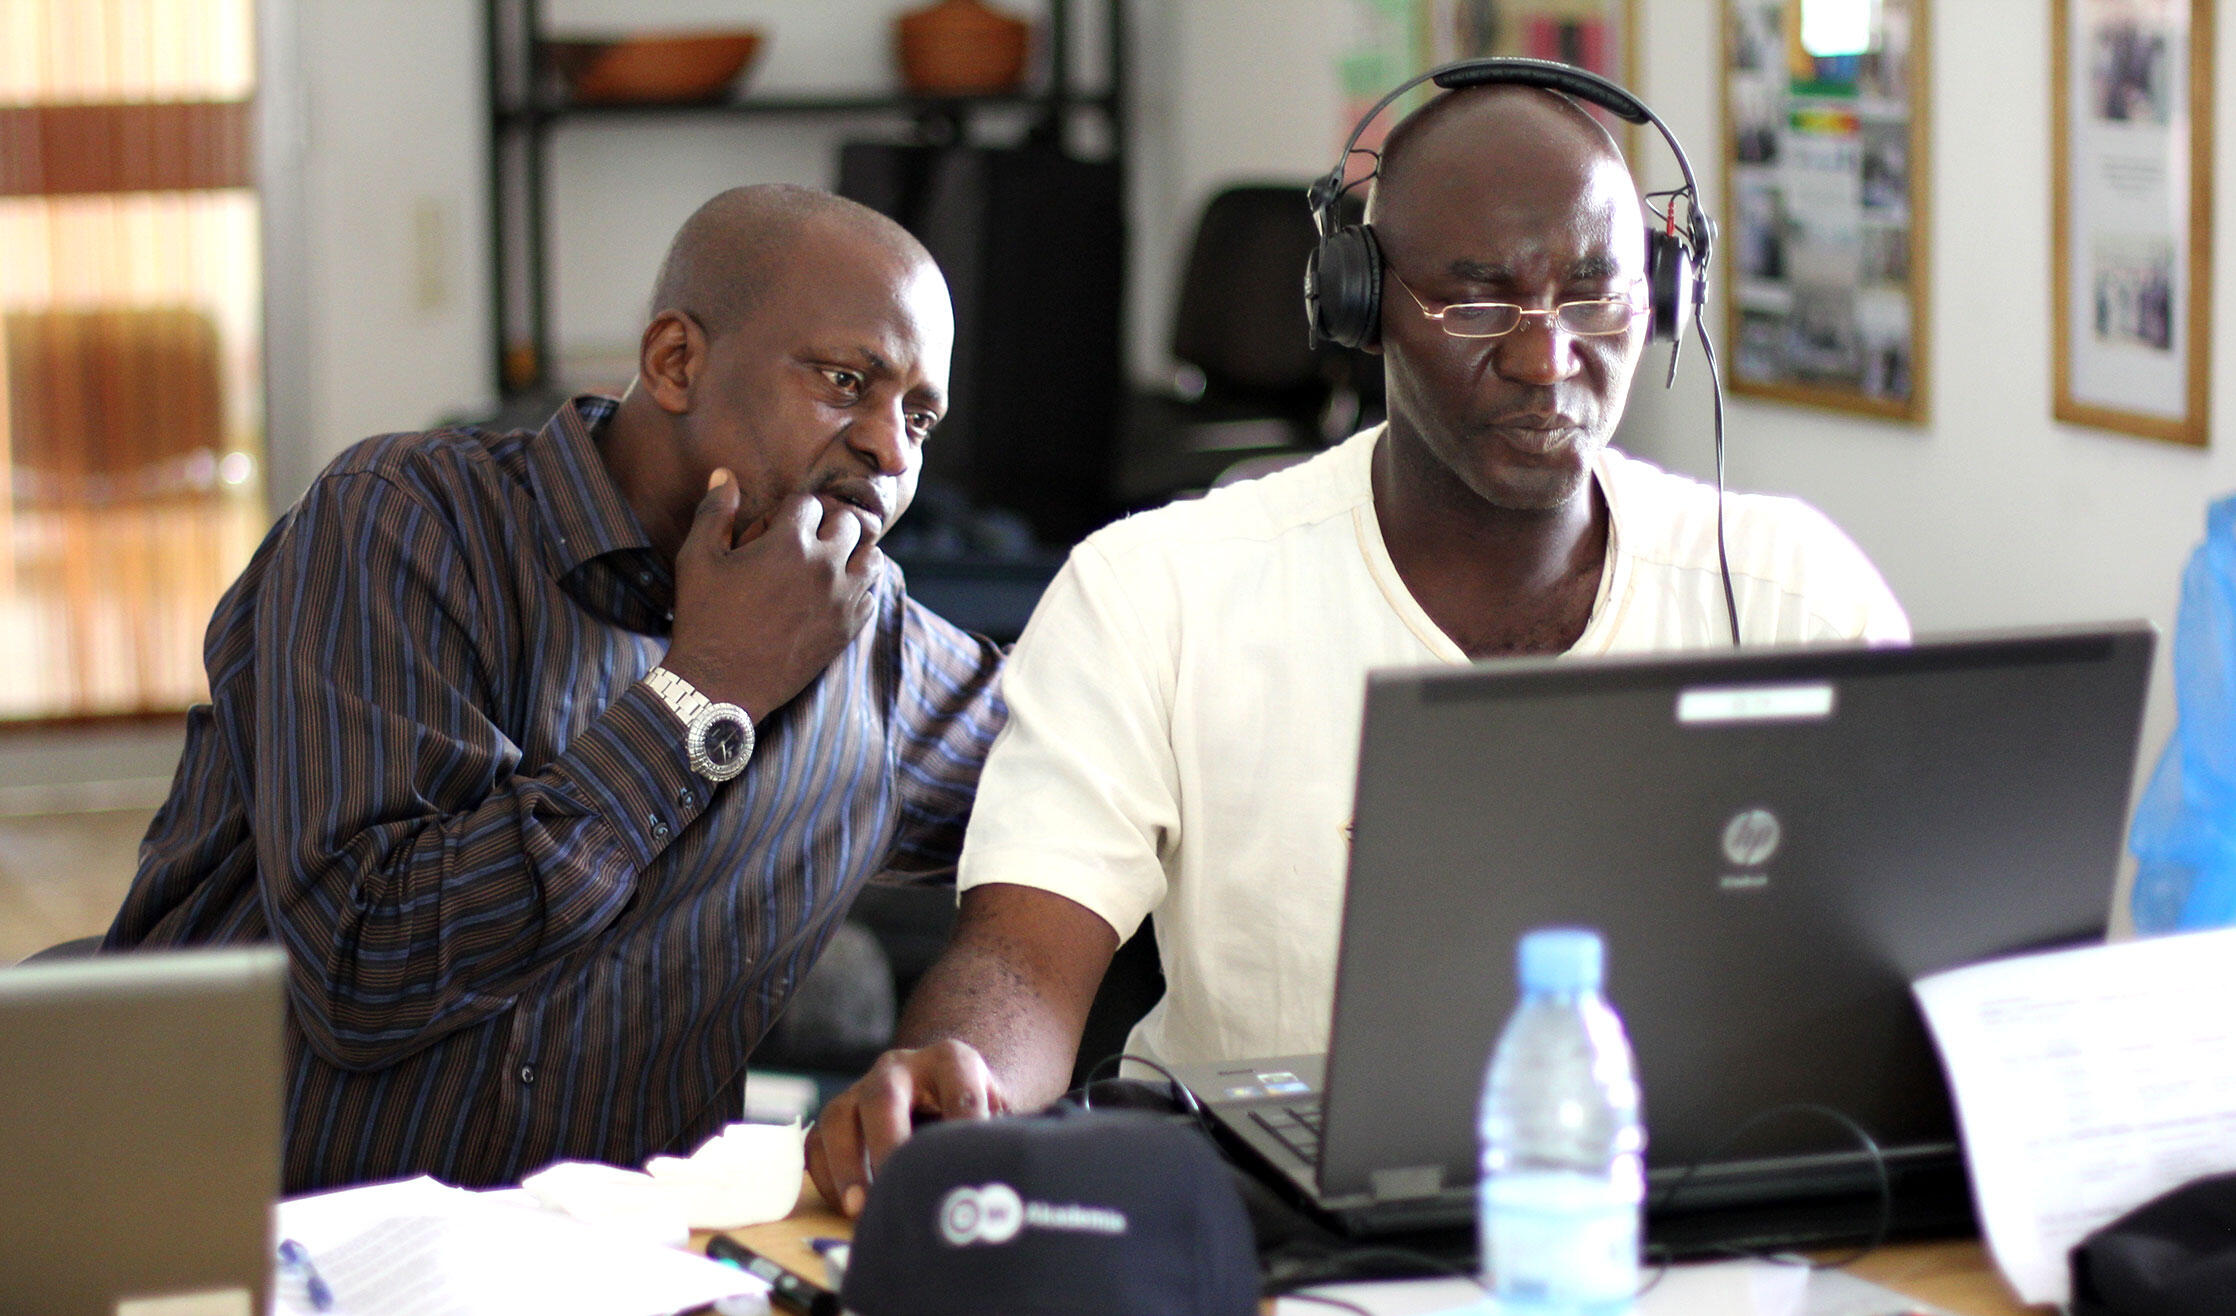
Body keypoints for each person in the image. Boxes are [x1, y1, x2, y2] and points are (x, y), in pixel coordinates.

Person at [806, 84, 1909, 1214]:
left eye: (1594, 294)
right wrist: (956, 1085)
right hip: (1256, 1226)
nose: (1546, 358)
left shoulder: (1790, 593)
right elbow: (1026, 956)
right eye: (1478, 303)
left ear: (1666, 293)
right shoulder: (1157, 588)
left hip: (1699, 1216)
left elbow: (1926, 956)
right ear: (1360, 301)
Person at [104, 184, 1007, 1193]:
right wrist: (707, 693)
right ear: (676, 361)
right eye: (847, 380)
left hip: (604, 1269)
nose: (891, 448)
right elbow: (366, 971)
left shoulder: (879, 654)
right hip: (241, 1231)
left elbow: (1108, 797)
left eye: (920, 417)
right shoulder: (400, 523)